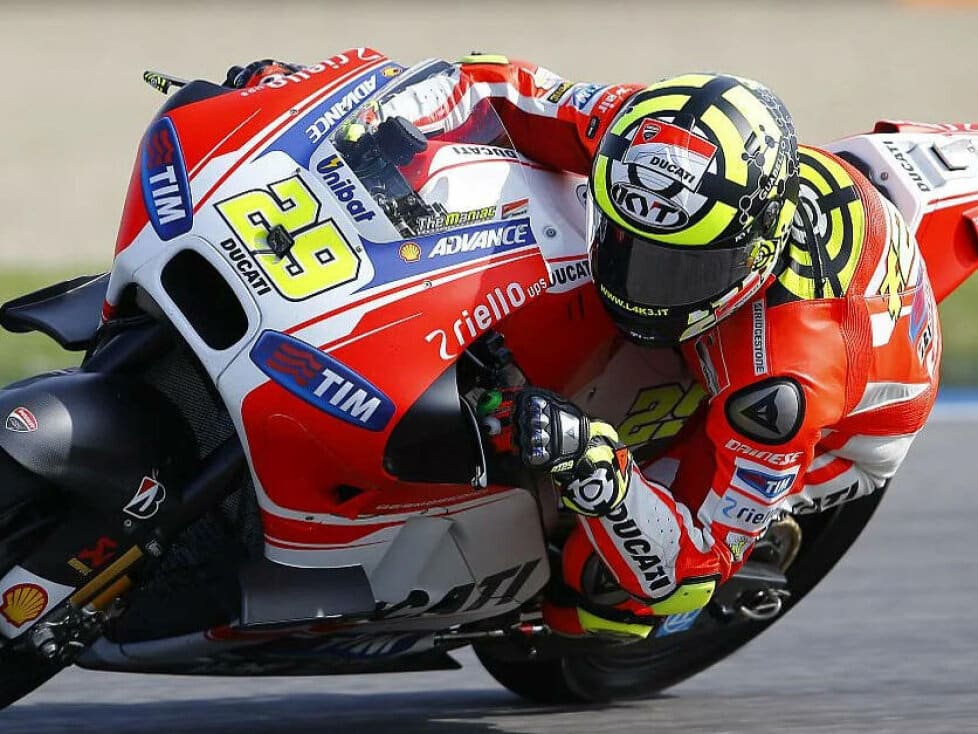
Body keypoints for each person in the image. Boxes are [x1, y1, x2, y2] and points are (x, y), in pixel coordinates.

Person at [228, 56, 942, 638]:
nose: (640, 287)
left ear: (753, 251)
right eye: (627, 246)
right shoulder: (648, 142)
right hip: (729, 316)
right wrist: (341, 107)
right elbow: (488, 84)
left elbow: (692, 569)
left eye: (678, 271)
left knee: (601, 595)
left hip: (849, 420)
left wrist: (601, 471)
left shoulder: (780, 388)